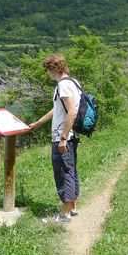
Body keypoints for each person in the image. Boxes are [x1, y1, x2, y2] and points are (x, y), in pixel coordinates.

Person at [29, 53, 81, 224]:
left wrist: (63, 137)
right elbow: (59, 109)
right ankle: (72, 206)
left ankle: (64, 214)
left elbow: (72, 111)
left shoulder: (63, 86)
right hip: (72, 135)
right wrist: (39, 122)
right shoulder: (74, 83)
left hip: (64, 136)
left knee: (63, 171)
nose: (47, 74)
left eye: (47, 70)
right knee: (70, 169)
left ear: (53, 68)